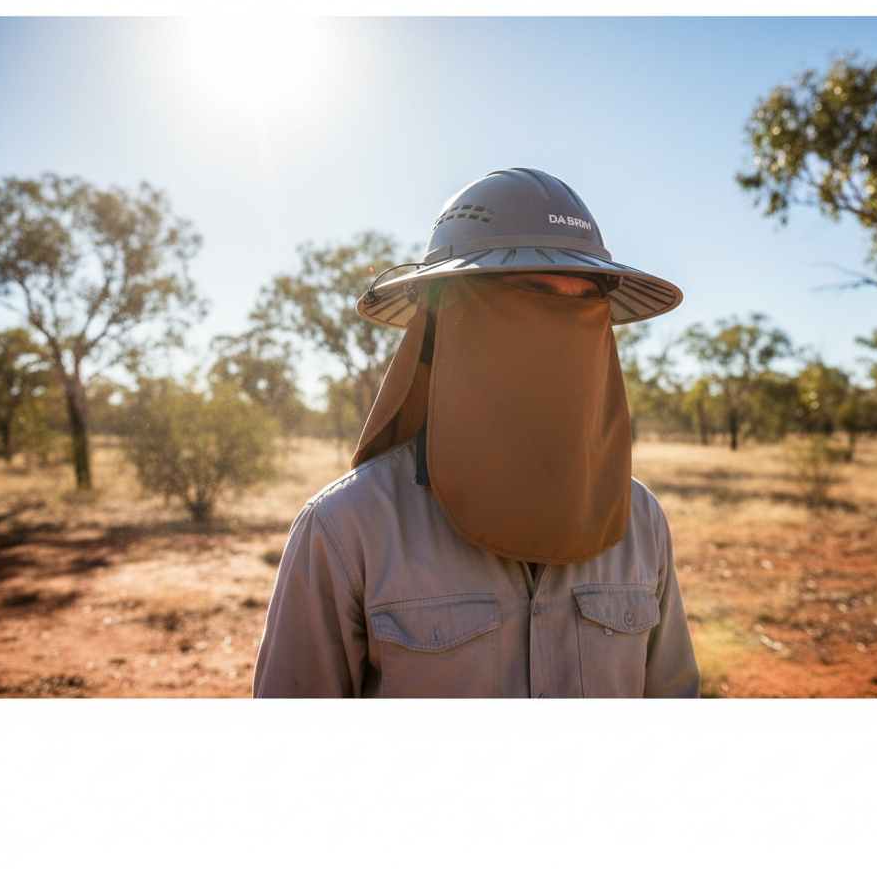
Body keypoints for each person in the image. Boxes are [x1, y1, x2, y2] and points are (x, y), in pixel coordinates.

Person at [253, 168, 699, 698]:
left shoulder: (640, 521)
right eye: (533, 293)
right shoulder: (347, 530)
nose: (561, 337)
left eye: (585, 302)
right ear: (452, 315)